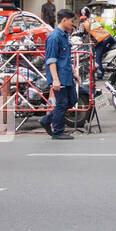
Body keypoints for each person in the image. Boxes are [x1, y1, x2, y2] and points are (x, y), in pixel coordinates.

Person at [38, 9, 78, 140]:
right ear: (64, 20)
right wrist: (55, 79)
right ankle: (57, 131)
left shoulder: (65, 35)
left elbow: (65, 57)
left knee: (72, 100)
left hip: (67, 74)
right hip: (59, 76)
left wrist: (73, 72)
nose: (72, 24)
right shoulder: (54, 37)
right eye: (71, 21)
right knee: (61, 103)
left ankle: (47, 119)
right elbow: (51, 60)